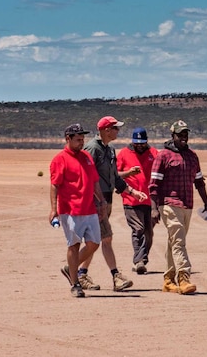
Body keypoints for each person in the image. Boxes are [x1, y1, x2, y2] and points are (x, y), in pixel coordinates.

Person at [78, 116, 146, 292]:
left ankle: (80, 272)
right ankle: (115, 276)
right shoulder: (92, 149)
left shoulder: (109, 150)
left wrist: (133, 192)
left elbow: (114, 178)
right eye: (115, 128)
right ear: (106, 129)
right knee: (105, 238)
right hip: (95, 202)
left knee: (96, 240)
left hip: (106, 200)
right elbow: (85, 176)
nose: (118, 131)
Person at [150, 120, 207, 295]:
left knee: (174, 241)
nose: (183, 137)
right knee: (179, 240)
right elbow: (153, 184)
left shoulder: (192, 156)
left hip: (187, 205)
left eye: (186, 134)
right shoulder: (163, 156)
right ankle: (184, 277)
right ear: (173, 136)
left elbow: (199, 182)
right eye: (180, 134)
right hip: (169, 204)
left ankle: (168, 280)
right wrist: (154, 208)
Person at [51, 124, 109, 298]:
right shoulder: (59, 159)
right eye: (78, 139)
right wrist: (54, 209)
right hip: (70, 210)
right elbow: (55, 185)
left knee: (94, 243)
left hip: (89, 208)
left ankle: (71, 268)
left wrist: (102, 202)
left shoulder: (86, 157)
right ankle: (75, 284)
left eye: (82, 139)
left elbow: (94, 182)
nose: (81, 142)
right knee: (74, 245)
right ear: (67, 139)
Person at [116, 127, 158, 274]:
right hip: (131, 199)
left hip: (149, 201)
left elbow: (161, 172)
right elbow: (114, 175)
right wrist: (128, 173)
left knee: (149, 233)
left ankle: (142, 259)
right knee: (138, 229)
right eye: (137, 143)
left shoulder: (154, 153)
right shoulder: (123, 154)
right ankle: (139, 261)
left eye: (142, 143)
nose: (139, 145)